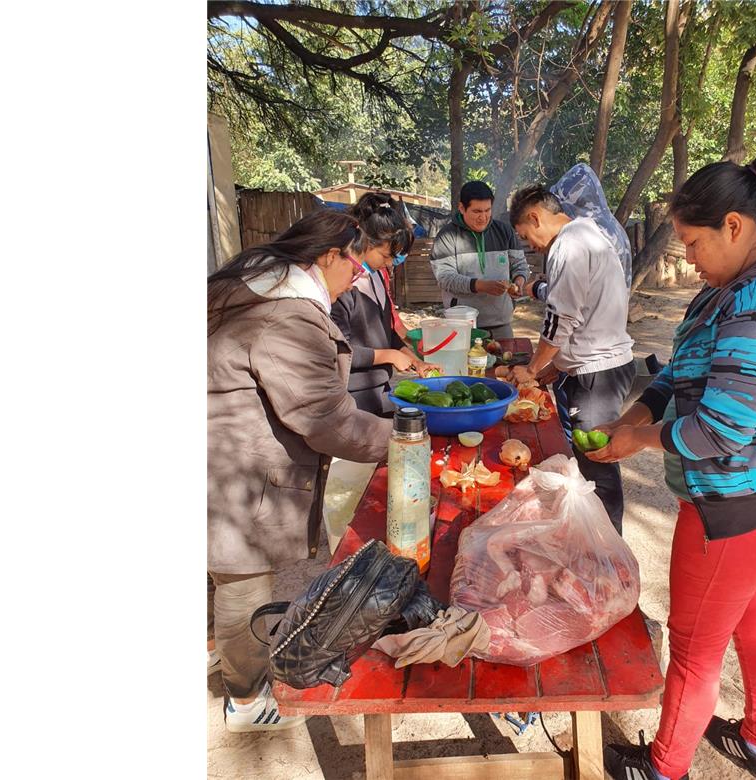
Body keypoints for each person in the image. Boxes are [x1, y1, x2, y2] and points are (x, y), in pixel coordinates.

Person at [591, 151, 756, 780]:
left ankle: (662, 768)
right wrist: (635, 413)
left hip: (730, 506)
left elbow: (719, 430)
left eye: (692, 242)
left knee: (695, 652)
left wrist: (639, 442)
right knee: (755, 624)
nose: (687, 258)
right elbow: (681, 370)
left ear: (734, 226)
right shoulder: (728, 289)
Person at [207, 210, 394, 732]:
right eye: (352, 258)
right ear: (326, 256)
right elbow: (325, 418)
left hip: (213, 457)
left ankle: (209, 649)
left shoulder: (244, 287)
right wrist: (405, 442)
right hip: (236, 471)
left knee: (214, 571)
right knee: (242, 585)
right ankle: (244, 700)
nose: (357, 271)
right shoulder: (285, 314)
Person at [506, 185, 635, 532]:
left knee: (597, 463)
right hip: (597, 366)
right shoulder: (585, 234)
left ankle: (608, 549)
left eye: (525, 235)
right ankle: (592, 536)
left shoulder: (569, 244)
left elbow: (561, 318)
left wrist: (532, 369)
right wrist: (553, 370)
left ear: (535, 217)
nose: (530, 245)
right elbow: (583, 318)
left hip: (598, 375)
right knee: (589, 460)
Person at [330, 193, 439, 415]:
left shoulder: (377, 277)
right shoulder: (340, 288)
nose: (389, 264)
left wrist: (415, 361)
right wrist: (388, 355)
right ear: (366, 242)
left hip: (381, 391)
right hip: (352, 399)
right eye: (385, 256)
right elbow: (339, 351)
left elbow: (388, 332)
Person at [430, 180, 530, 339]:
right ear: (462, 208)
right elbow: (445, 278)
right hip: (463, 325)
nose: (483, 217)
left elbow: (520, 265)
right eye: (477, 211)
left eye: (487, 210)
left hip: (501, 323)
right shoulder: (447, 236)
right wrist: (480, 285)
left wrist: (518, 282)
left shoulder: (504, 231)